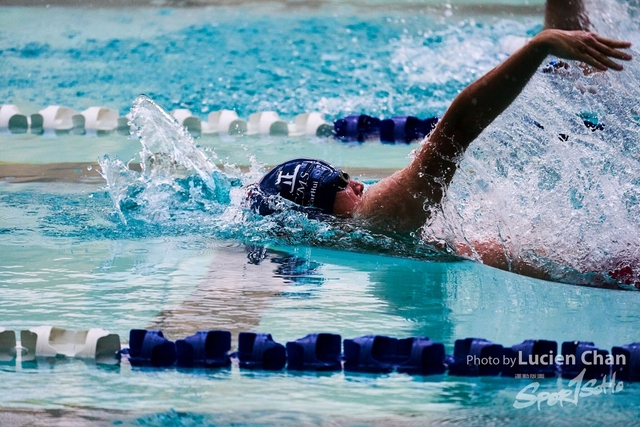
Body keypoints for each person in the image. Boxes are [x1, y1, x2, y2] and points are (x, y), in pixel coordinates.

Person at [246, 22, 633, 284]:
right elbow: (457, 128)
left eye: (345, 173)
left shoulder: (369, 239)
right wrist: (539, 45)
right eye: (339, 183)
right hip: (613, 269)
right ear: (318, 216)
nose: (358, 183)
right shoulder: (374, 217)